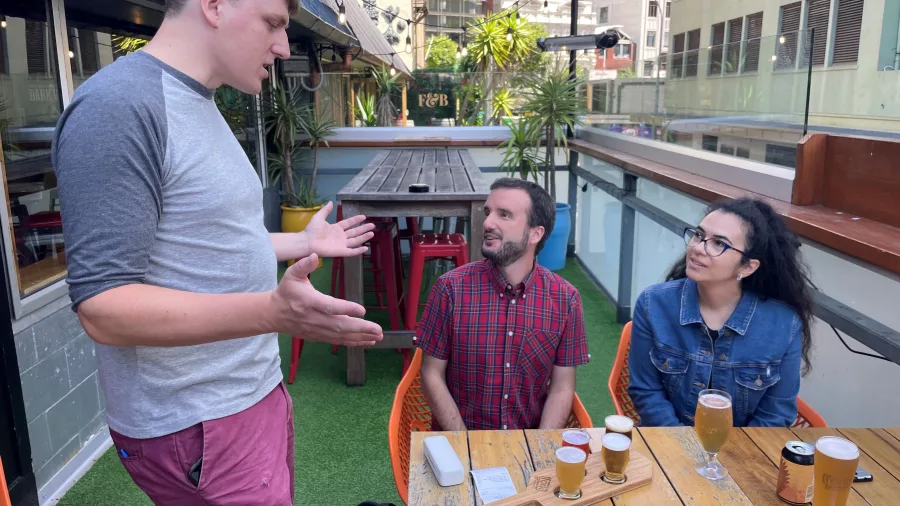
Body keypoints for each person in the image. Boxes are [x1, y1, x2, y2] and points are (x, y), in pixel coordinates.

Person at [51, 0, 383, 503]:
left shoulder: (198, 99)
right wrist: (272, 313)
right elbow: (104, 307)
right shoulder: (118, 107)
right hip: (198, 421)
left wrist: (302, 243)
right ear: (213, 5)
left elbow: (206, 238)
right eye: (272, 23)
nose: (283, 46)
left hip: (248, 393)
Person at [415, 178, 590, 431]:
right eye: (488, 212)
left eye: (504, 215)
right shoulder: (450, 289)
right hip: (458, 441)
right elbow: (431, 374)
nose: (487, 223)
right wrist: (464, 442)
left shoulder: (565, 299)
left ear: (535, 233)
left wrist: (538, 447)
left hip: (526, 443)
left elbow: (562, 387)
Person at [628, 197, 814, 427]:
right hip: (667, 440)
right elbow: (646, 392)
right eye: (699, 235)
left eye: (719, 243)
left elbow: (776, 414)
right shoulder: (654, 304)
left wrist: (734, 451)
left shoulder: (784, 324)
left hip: (744, 447)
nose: (698, 248)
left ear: (747, 266)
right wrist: (685, 445)